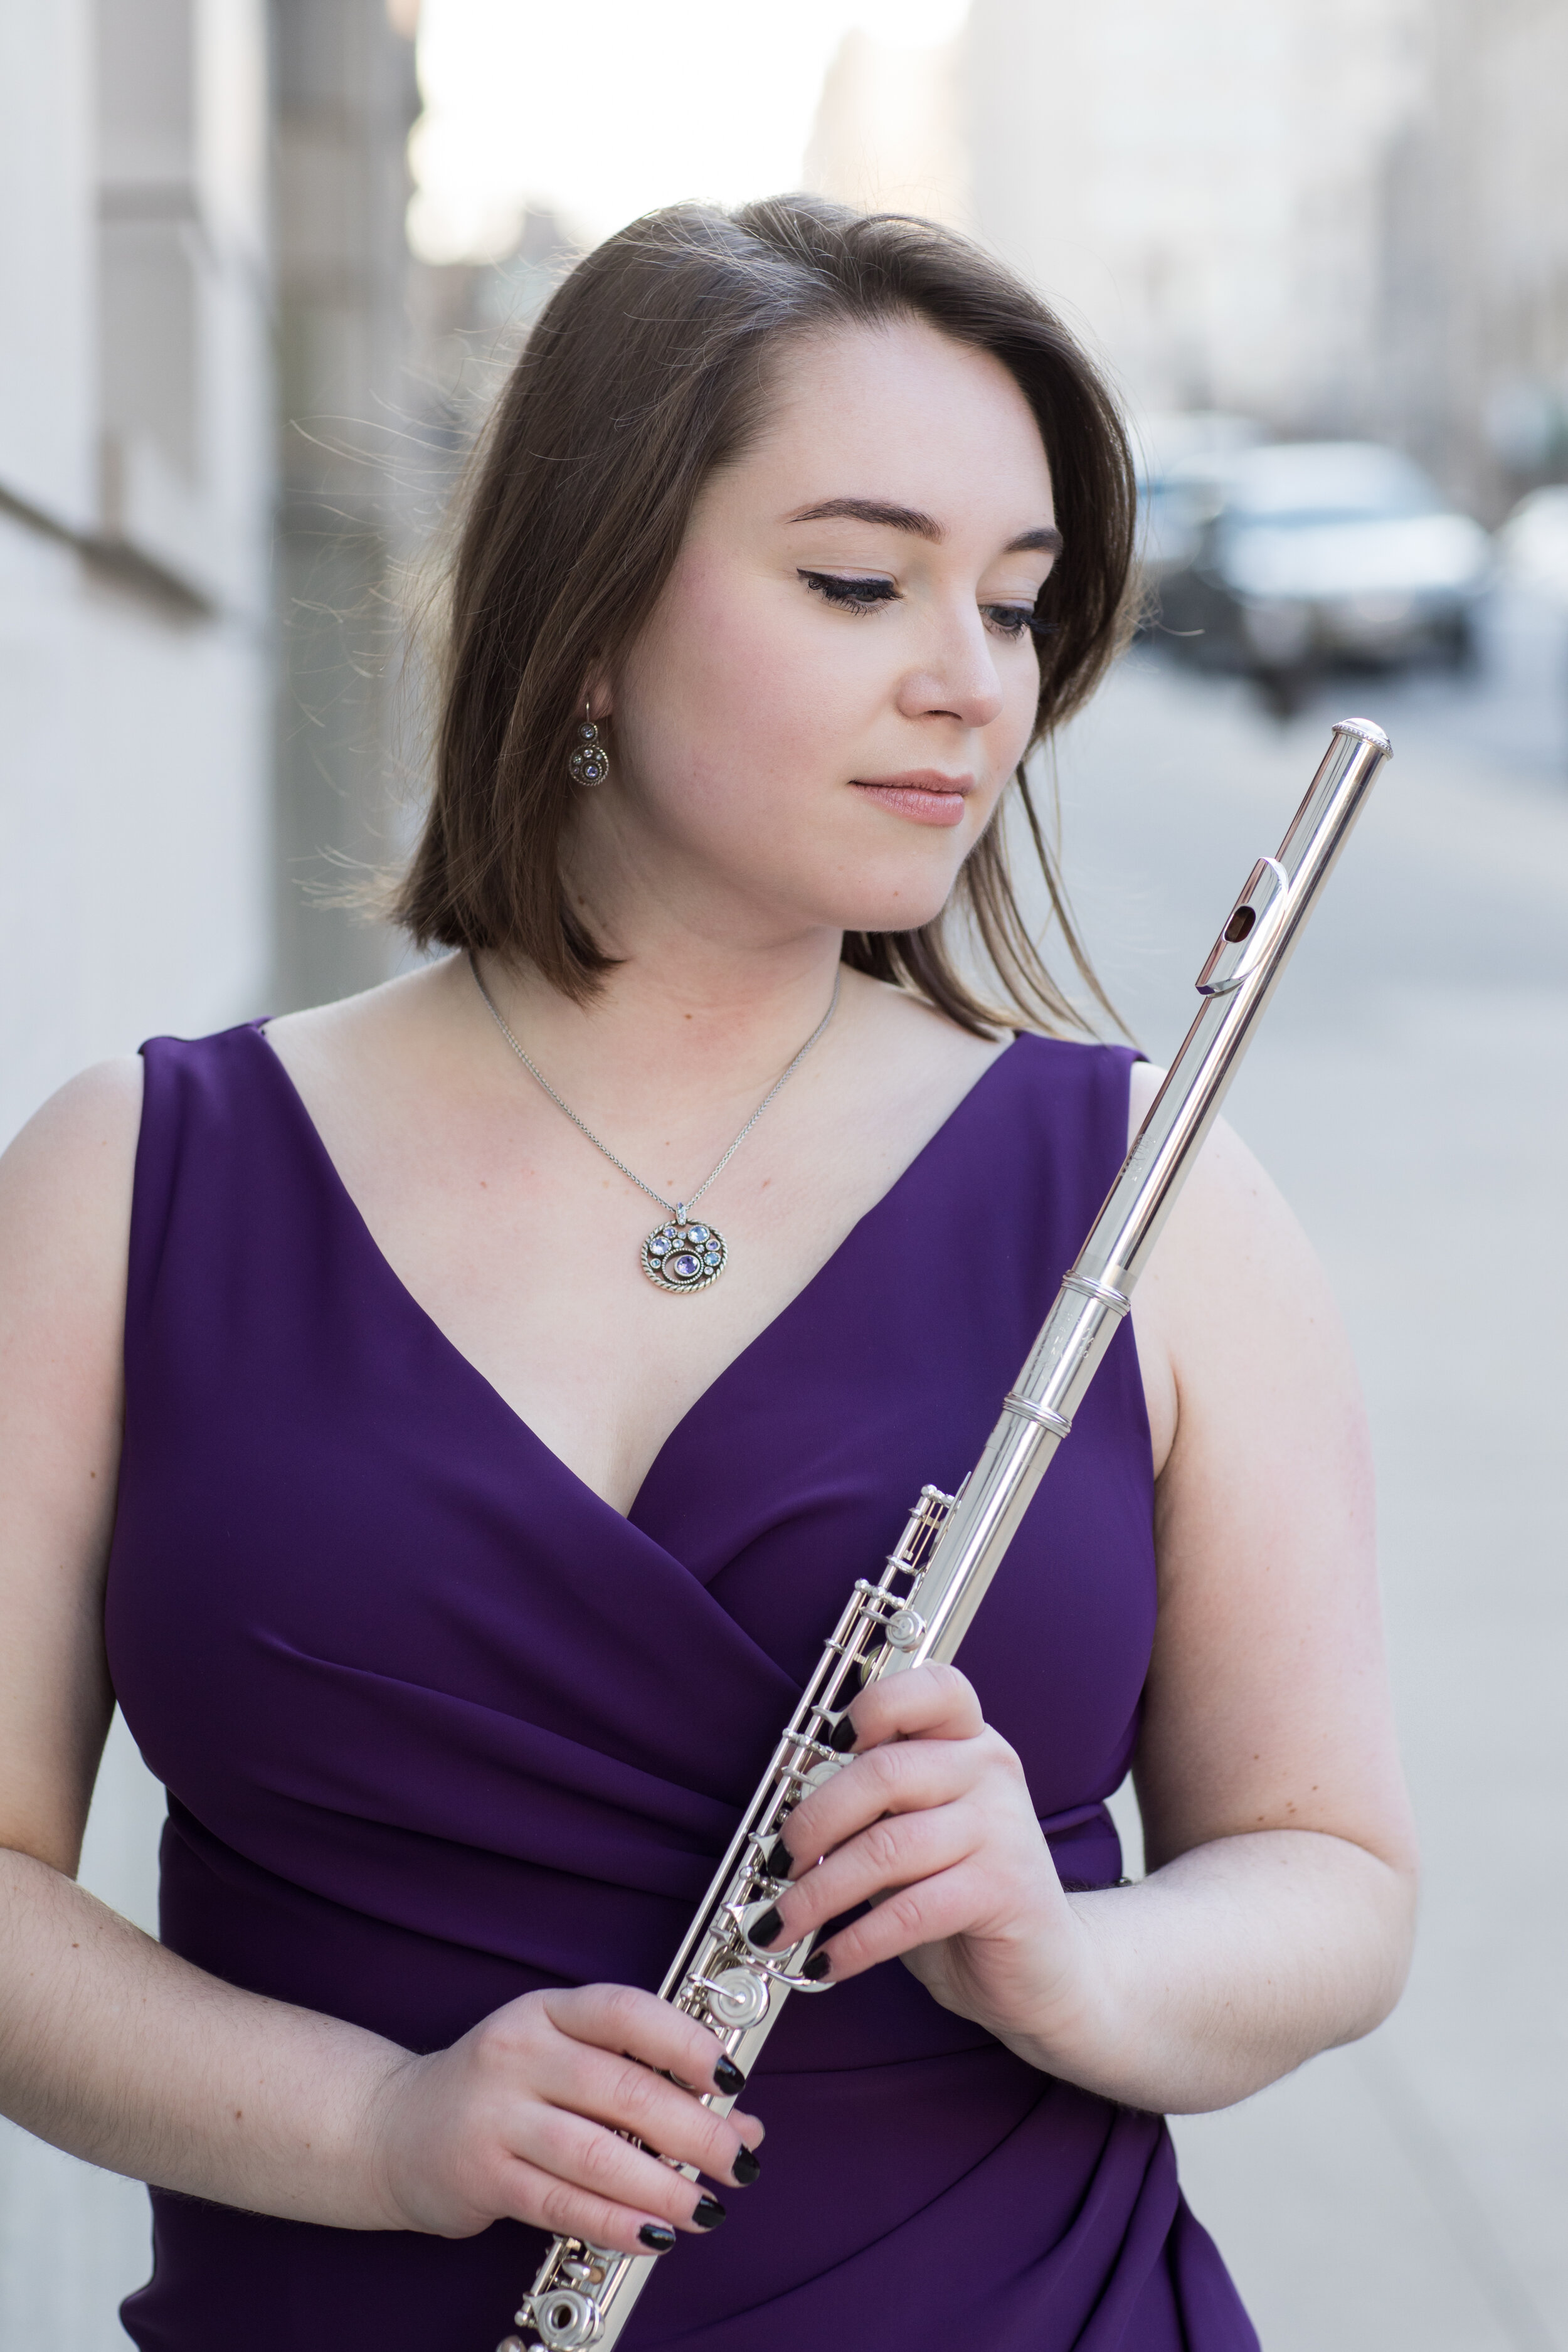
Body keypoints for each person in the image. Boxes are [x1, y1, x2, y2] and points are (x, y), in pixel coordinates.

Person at [0, 197, 1416, 2351]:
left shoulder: (1153, 1195)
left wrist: (1061, 1958)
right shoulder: (134, 1178)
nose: (970, 683)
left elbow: (1331, 1879)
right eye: (856, 583)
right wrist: (377, 2128)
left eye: (1015, 604)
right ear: (584, 616)